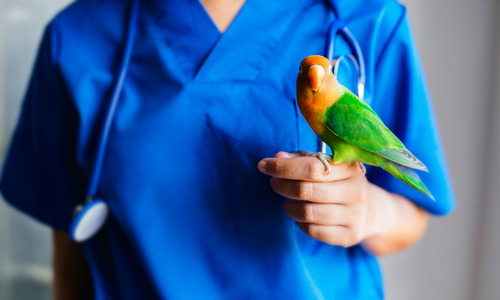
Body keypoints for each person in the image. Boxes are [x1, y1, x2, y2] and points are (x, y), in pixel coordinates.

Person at [0, 0, 455, 299]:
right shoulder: (76, 39)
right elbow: (72, 250)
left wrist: (366, 211)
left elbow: (411, 217)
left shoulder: (368, 21)